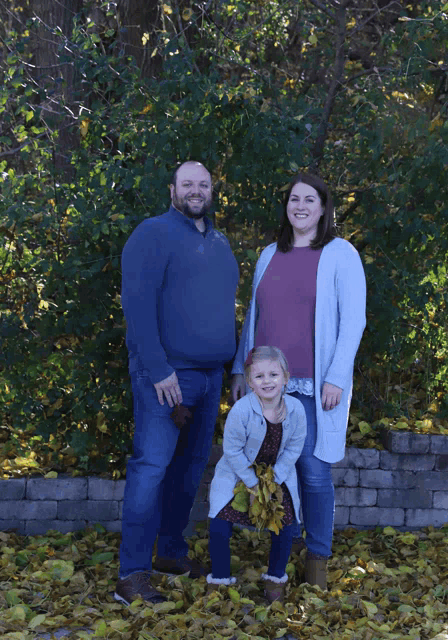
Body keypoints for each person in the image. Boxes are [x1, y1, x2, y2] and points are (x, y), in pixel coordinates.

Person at [231, 173, 366, 590]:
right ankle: (279, 562)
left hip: (314, 387)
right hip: (270, 388)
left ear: (324, 208)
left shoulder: (341, 254)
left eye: (310, 200)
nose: (301, 206)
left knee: (312, 474)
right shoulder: (269, 254)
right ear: (286, 206)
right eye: (294, 199)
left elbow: (353, 320)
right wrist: (241, 368)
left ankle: (318, 563)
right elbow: (253, 319)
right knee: (275, 475)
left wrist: (337, 377)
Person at [115, 161, 239, 605]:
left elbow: (226, 307)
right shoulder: (152, 233)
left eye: (203, 184)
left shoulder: (220, 242)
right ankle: (131, 574)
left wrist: (236, 369)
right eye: (187, 183)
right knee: (151, 469)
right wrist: (158, 367)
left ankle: (170, 552)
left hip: (210, 377)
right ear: (172, 189)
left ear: (211, 190)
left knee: (188, 473)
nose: (196, 190)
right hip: (165, 377)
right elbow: (137, 305)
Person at [208, 346, 306, 603]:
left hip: (277, 477)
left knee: (285, 523)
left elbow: (294, 447)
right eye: (259, 376)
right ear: (250, 382)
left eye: (273, 375)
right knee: (219, 520)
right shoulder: (241, 410)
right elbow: (232, 450)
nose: (267, 381)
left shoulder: (295, 410)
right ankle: (219, 580)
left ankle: (275, 579)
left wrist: (274, 482)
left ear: (286, 377)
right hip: (239, 475)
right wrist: (253, 485)